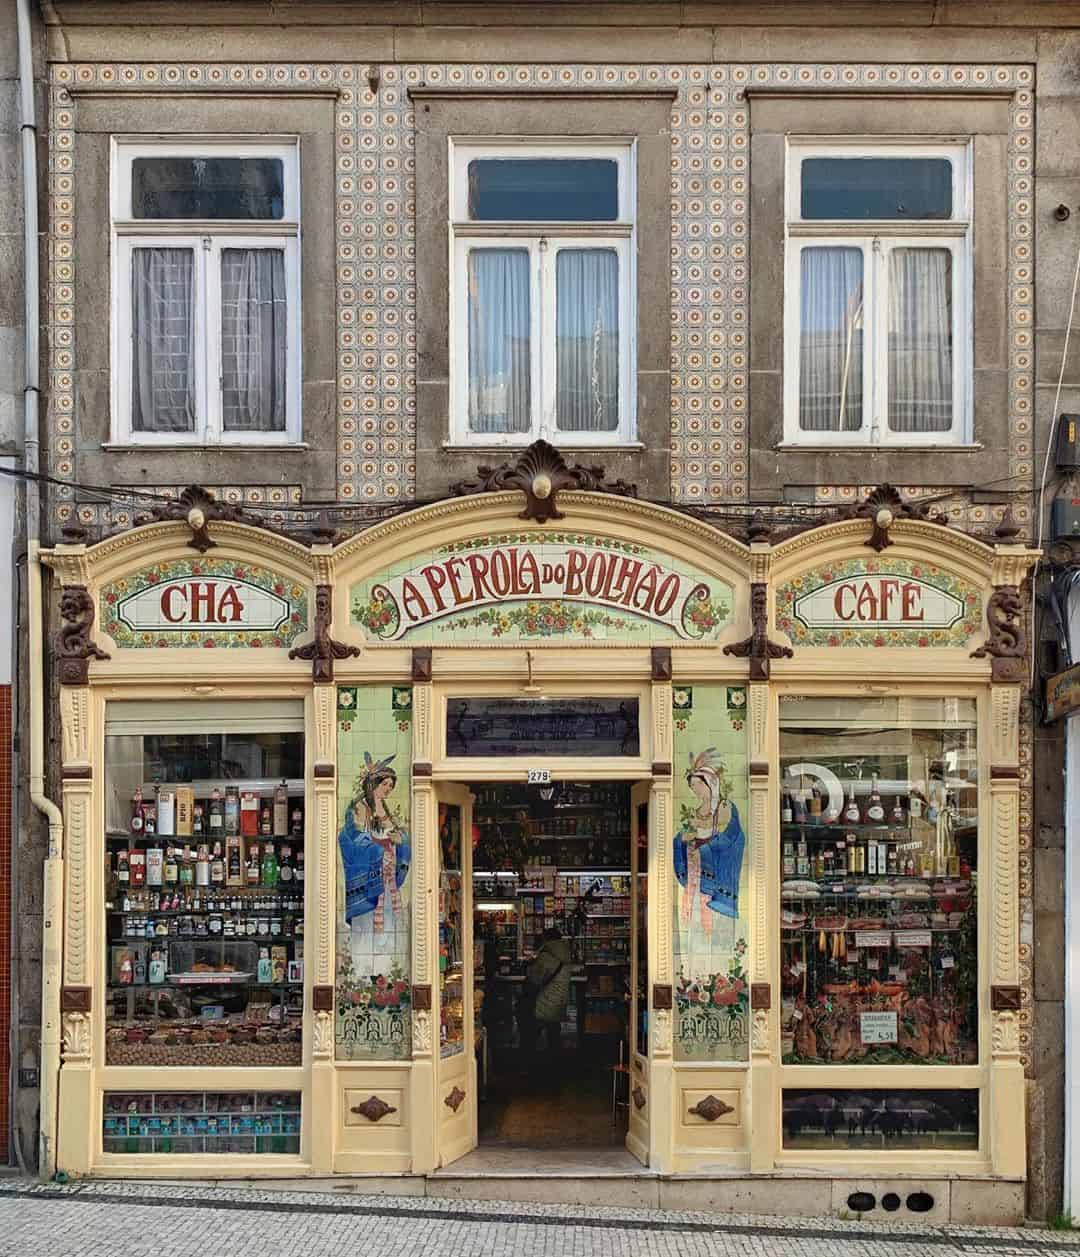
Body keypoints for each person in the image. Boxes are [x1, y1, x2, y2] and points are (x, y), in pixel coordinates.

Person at [518, 926, 571, 1073]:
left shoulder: (547, 955)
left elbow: (534, 979)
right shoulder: (565, 953)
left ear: (547, 939)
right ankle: (555, 1066)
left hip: (544, 1002)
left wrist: (529, 968)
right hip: (558, 1002)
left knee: (530, 1032)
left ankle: (528, 1065)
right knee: (553, 1033)